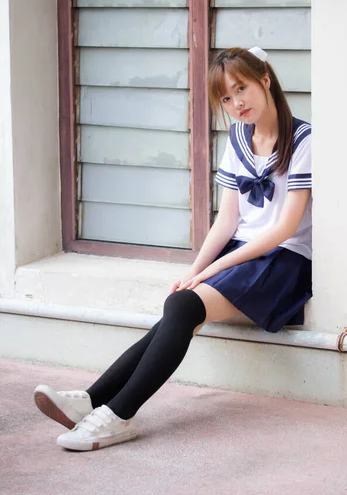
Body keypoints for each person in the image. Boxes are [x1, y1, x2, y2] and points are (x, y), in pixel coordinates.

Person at [34, 46, 312, 452]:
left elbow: (283, 228)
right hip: (243, 252)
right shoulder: (237, 138)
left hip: (282, 261)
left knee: (182, 308)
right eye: (226, 98)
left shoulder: (304, 140)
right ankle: (94, 402)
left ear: (265, 81)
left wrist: (209, 273)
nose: (236, 104)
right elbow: (226, 221)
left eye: (242, 89)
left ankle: (117, 414)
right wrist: (195, 269)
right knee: (180, 304)